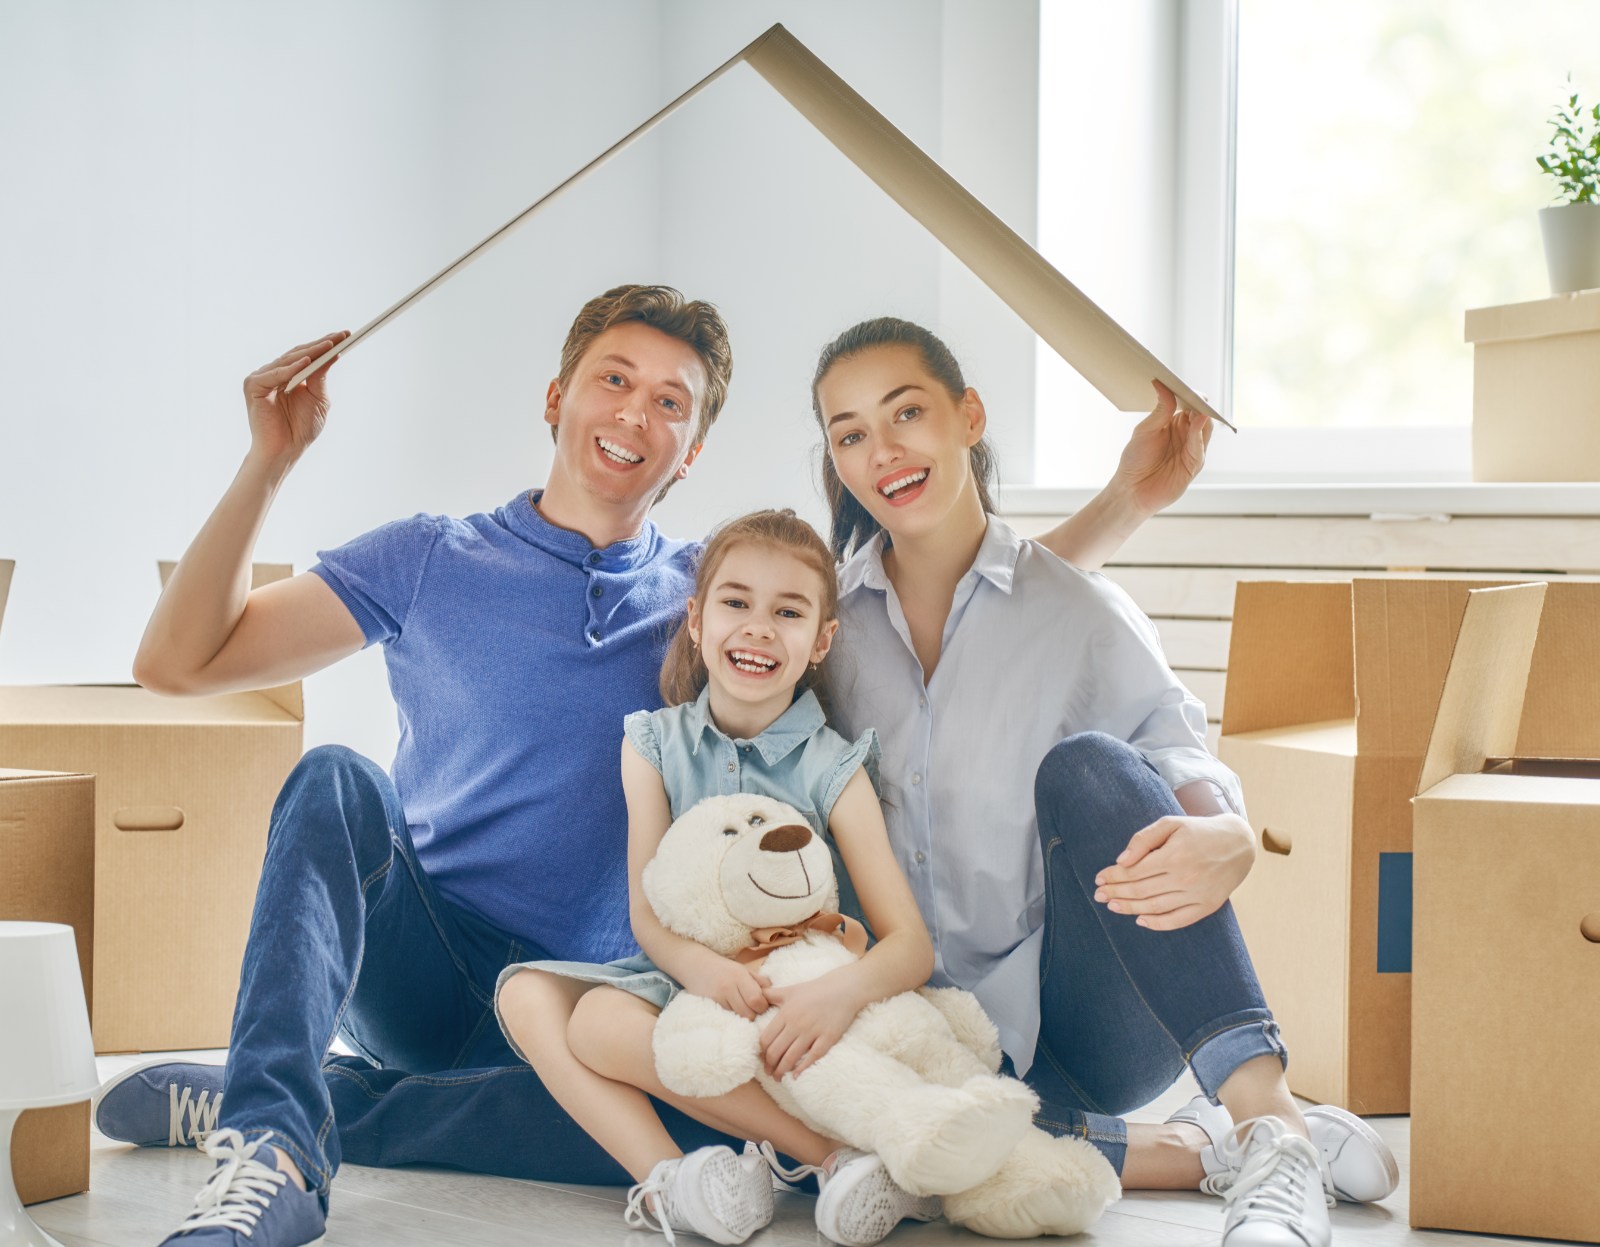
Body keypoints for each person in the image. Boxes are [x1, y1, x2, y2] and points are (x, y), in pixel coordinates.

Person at [90, 285, 1209, 1247]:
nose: (634, 413)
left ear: (695, 448)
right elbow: (177, 662)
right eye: (612, 380)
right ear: (556, 398)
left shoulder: (711, 596)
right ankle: (274, 1144)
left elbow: (949, 618)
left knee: (732, 1125)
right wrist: (268, 462)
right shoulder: (427, 557)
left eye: (670, 402)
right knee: (333, 777)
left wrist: (1124, 508)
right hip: (430, 965)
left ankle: (294, 1088)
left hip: (611, 1000)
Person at [563, 317, 1400, 1247]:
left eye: (906, 413)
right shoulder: (822, 631)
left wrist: (1228, 833)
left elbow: (1175, 752)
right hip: (920, 1031)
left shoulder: (1080, 613)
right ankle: (1206, 1146)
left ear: (969, 416)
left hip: (1082, 1022)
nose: (881, 451)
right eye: (849, 435)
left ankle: (1270, 1123)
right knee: (919, 1136)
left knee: (1093, 770)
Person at [497, 509, 947, 1247]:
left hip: (798, 996)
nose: (759, 628)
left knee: (604, 1024)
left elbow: (910, 948)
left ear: (820, 641)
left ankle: (835, 1159)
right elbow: (649, 913)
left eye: (788, 612)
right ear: (697, 621)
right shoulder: (651, 743)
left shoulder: (832, 765)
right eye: (736, 603)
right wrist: (702, 971)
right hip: (689, 983)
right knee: (546, 1002)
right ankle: (680, 1184)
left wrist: (833, 997)